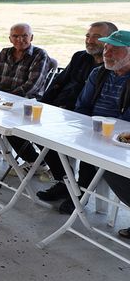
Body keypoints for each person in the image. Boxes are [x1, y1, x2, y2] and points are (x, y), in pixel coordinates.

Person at [35, 22, 116, 213]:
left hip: (91, 119)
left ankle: (81, 194)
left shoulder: (111, 66)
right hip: (65, 113)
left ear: (110, 41)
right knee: (38, 136)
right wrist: (44, 105)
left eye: (96, 36)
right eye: (88, 36)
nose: (89, 40)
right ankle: (66, 182)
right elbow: (59, 83)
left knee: (88, 149)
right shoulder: (80, 57)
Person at [52, 30, 130, 214]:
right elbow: (83, 105)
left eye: (114, 50)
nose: (106, 53)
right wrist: (85, 127)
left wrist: (104, 133)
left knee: (99, 155)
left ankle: (80, 196)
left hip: (120, 136)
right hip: (93, 126)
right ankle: (69, 186)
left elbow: (127, 120)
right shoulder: (99, 73)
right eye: (106, 48)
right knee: (52, 142)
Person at [0, 23, 52, 159]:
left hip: (27, 102)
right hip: (2, 99)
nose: (20, 40)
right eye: (15, 36)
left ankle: (32, 159)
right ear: (10, 39)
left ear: (31, 37)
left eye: (24, 36)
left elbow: (32, 85)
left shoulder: (39, 54)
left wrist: (6, 99)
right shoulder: (5, 52)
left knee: (8, 123)